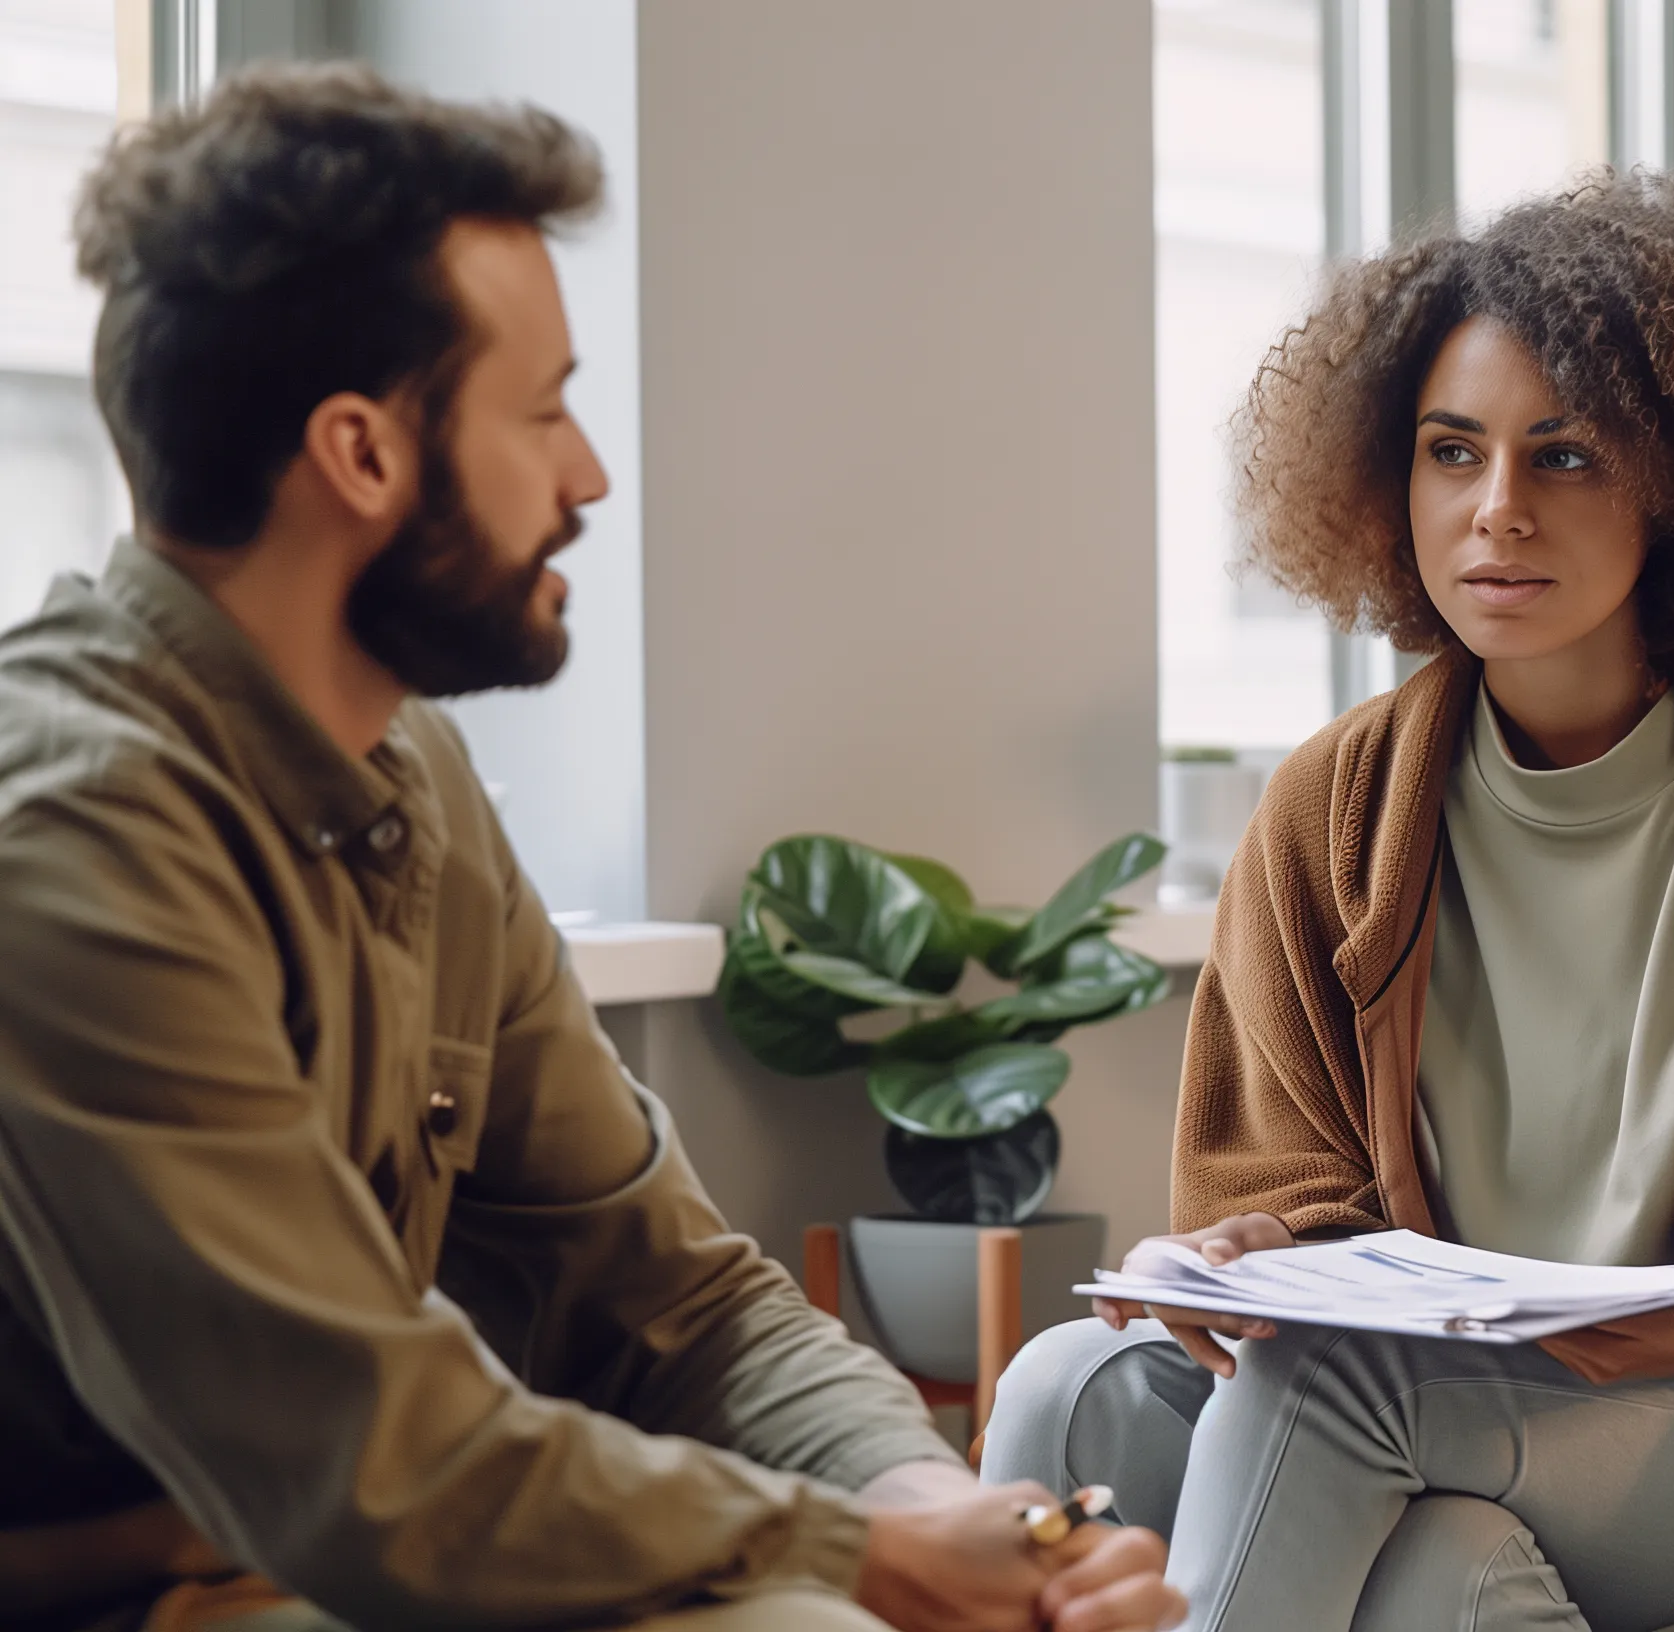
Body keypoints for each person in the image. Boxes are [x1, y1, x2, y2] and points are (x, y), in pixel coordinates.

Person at [0, 65, 1181, 1632]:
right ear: (361, 455)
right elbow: (375, 1467)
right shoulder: (76, 843)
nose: (589, 476)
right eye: (543, 409)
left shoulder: (406, 770)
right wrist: (863, 1559)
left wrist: (932, 1501)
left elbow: (675, 1297)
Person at [979, 172, 1674, 1632]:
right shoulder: (1334, 812)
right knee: (1070, 1386)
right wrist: (1247, 1258)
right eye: (1455, 453)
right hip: (1434, 1441)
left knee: (1343, 1382)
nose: (1497, 511)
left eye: (1564, 457)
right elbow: (1279, 1198)